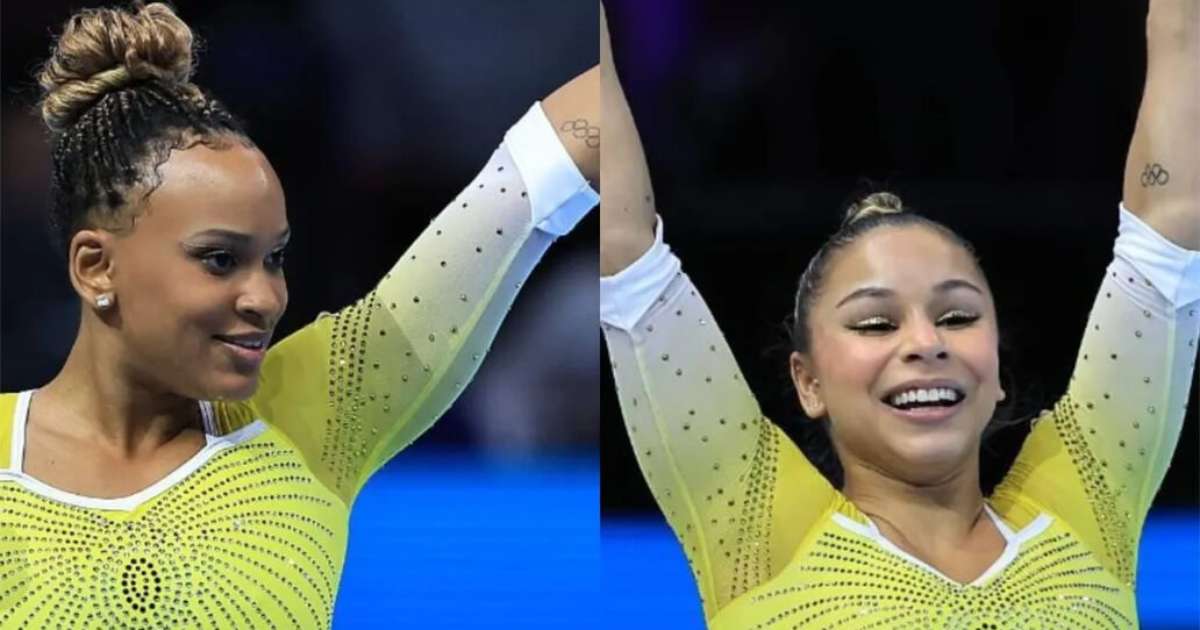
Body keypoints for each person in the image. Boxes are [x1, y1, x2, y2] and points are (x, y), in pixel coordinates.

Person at [600, 2, 1197, 627]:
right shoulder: (755, 530)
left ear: (996, 372)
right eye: (875, 323)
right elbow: (624, 249)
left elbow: (1169, 223)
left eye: (958, 317)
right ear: (808, 381)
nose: (924, 341)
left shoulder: (1087, 502)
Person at [0, 3, 598, 627]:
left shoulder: (322, 410)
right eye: (219, 259)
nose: (265, 298)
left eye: (275, 258)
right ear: (96, 266)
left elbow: (544, 169)